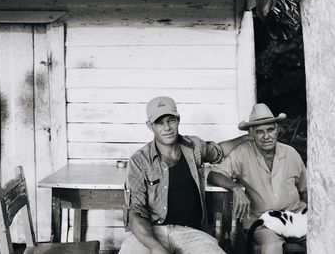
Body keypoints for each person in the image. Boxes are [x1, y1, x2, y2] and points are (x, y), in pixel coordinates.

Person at [119, 96, 250, 254]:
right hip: (153, 233)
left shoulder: (193, 147)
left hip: (192, 234)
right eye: (159, 122)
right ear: (150, 126)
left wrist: (248, 137)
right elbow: (135, 214)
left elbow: (219, 151)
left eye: (170, 120)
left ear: (178, 120)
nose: (167, 127)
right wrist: (156, 248)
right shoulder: (139, 161)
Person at [207, 103, 307, 254]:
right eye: (259, 132)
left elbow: (305, 191)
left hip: (295, 217)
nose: (266, 136)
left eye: (270, 130)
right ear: (251, 134)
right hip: (262, 223)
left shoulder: (291, 153)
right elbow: (213, 174)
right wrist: (236, 188)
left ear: (277, 129)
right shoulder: (242, 153)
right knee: (272, 246)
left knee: (324, 237)